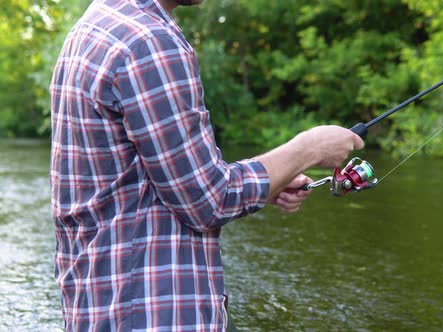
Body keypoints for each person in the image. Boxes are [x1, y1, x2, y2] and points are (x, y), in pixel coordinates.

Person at [50, 0, 364, 330]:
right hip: (150, 314)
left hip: (100, 307)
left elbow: (160, 175)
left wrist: (274, 178)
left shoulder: (94, 26)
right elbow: (207, 200)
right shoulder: (149, 43)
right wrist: (309, 149)